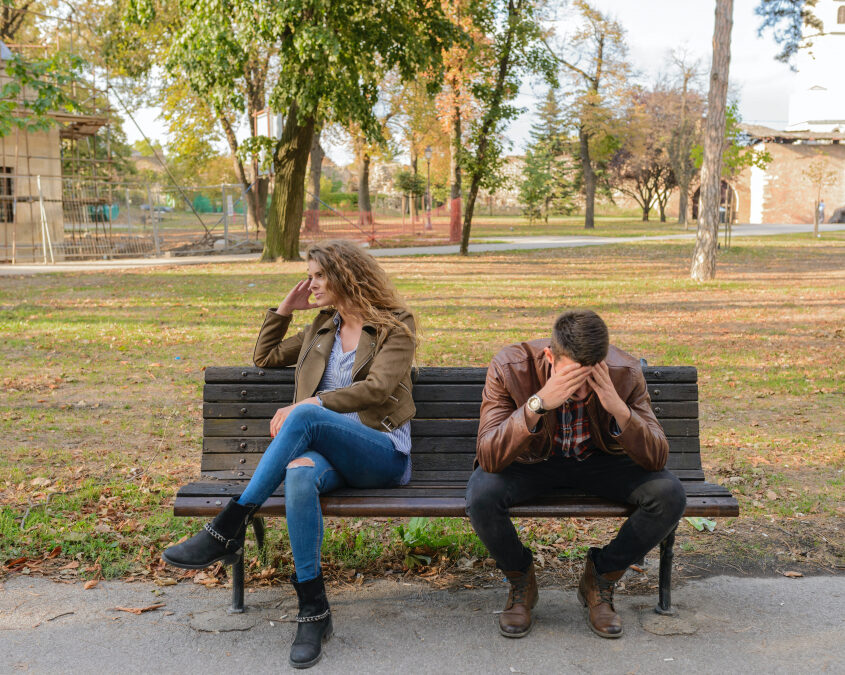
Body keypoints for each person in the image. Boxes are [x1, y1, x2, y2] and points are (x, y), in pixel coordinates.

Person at [163, 239, 417, 668]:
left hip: (381, 453)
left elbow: (378, 389)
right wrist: (284, 309)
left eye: (318, 275)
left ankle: (229, 524)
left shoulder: (395, 324)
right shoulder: (321, 328)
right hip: (327, 454)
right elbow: (264, 357)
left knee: (305, 416)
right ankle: (313, 611)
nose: (310, 283)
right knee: (299, 474)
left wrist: (311, 404)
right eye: (310, 276)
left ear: (344, 275)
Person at [465, 309, 686, 640]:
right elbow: (490, 457)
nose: (579, 392)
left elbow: (656, 457)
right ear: (550, 356)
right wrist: (537, 405)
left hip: (599, 462)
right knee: (481, 494)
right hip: (532, 462)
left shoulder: (624, 371)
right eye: (570, 379)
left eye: (589, 380)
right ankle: (521, 579)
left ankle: (601, 577)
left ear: (603, 364)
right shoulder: (510, 366)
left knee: (669, 494)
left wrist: (617, 407)